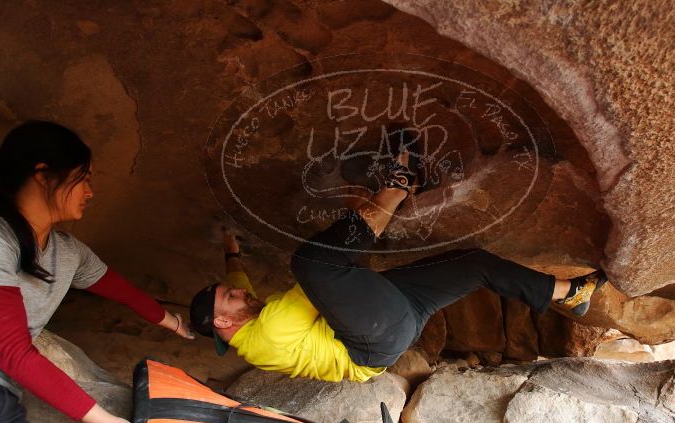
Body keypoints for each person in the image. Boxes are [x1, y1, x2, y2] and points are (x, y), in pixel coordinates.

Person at [190, 142, 607, 382]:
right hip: (370, 342)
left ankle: (569, 293)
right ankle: (395, 189)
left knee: (471, 263)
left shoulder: (243, 327)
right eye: (231, 297)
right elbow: (330, 273)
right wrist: (367, 209)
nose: (240, 290)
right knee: (313, 264)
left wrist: (231, 250)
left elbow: (235, 280)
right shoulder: (270, 331)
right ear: (225, 323)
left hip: (391, 318)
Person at [0, 121, 195, 423]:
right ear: (42, 174)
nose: (91, 191)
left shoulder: (65, 251)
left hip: (5, 404)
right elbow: (12, 351)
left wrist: (172, 322)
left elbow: (119, 289)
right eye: (83, 179)